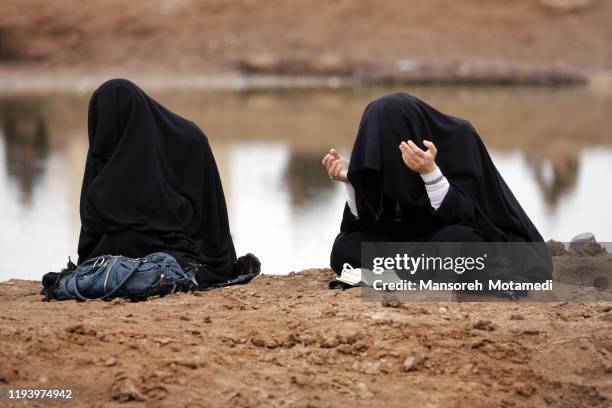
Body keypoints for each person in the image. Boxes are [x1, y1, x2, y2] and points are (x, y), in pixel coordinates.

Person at [322, 93, 551, 292]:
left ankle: (392, 275)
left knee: (461, 240)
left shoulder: (461, 137)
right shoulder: (385, 160)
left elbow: (471, 219)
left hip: (463, 237)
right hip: (418, 247)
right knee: (345, 246)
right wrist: (352, 183)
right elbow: (368, 226)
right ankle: (406, 276)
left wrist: (430, 173)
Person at [77, 78, 259, 289]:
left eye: (106, 120)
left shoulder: (188, 140)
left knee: (128, 244)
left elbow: (196, 220)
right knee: (115, 246)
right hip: (149, 246)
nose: (101, 130)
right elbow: (92, 229)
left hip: (192, 248)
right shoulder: (105, 152)